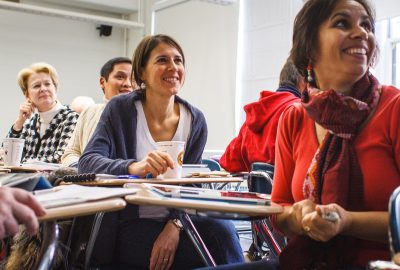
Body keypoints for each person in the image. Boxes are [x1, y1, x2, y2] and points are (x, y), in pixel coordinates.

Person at [79, 34, 244, 269]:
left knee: (223, 231)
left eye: (178, 60)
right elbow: (87, 162)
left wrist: (175, 225)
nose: (173, 67)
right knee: (202, 256)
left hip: (181, 219)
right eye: (162, 60)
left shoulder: (194, 119)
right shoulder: (120, 109)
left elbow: (192, 186)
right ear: (142, 73)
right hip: (129, 222)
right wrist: (133, 167)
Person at [271, 0, 400, 269]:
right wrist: (297, 216)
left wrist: (347, 222)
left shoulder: (394, 108)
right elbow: (279, 208)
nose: (362, 32)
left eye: (366, 24)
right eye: (342, 23)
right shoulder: (293, 118)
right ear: (309, 50)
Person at [219, 59, 303, 172]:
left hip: (255, 189)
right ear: (303, 81)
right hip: (288, 189)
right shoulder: (301, 111)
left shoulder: (256, 113)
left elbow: (228, 161)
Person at [61, 57, 134, 167]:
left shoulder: (142, 115)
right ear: (102, 82)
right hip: (87, 179)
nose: (128, 84)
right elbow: (71, 152)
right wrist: (82, 170)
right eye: (120, 77)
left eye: (133, 78)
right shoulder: (90, 112)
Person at [8, 62, 79, 163]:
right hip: (24, 178)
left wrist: (24, 163)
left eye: (47, 84)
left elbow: (61, 157)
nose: (43, 89)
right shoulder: (29, 123)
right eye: (36, 86)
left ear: (55, 87)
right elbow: (7, 156)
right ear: (27, 94)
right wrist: (19, 122)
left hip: (54, 178)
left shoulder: (71, 118)